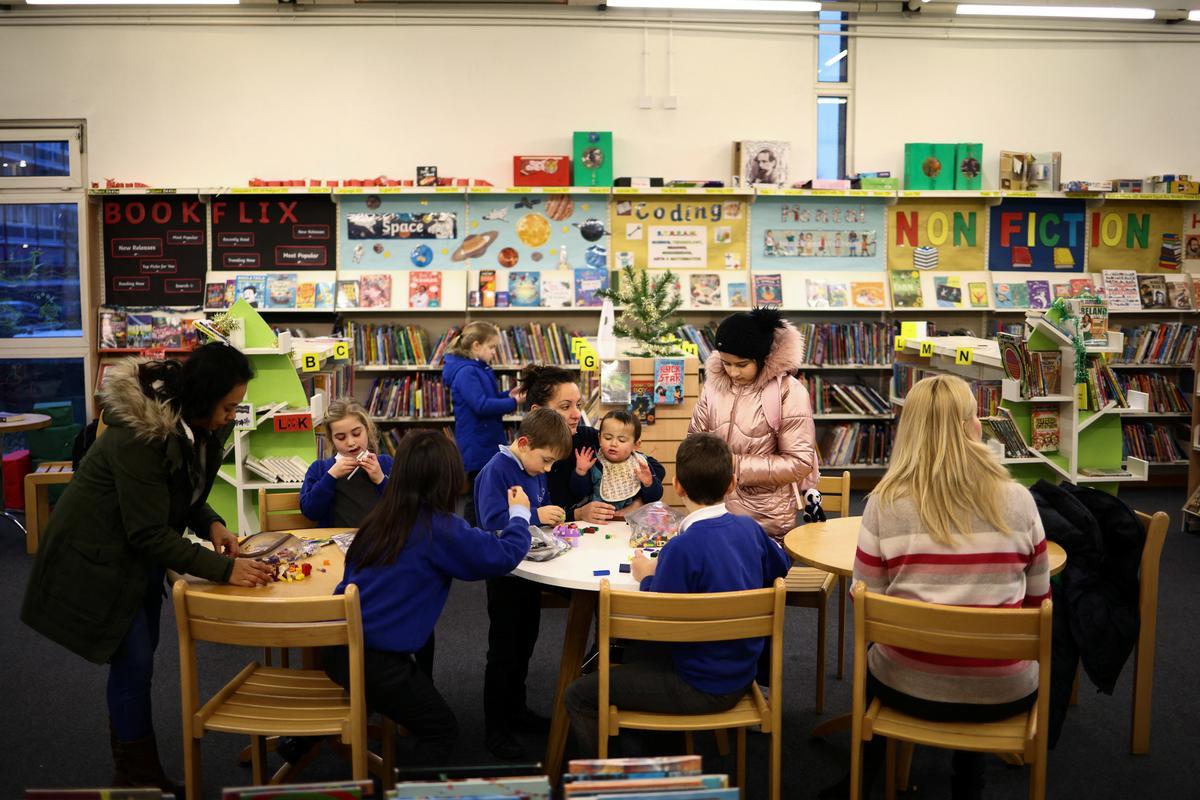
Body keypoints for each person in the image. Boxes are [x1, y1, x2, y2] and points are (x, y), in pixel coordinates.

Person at [21, 343, 275, 795]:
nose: (231, 417)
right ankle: (136, 773)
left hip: (134, 557)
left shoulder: (194, 424)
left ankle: (136, 769)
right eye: (229, 406)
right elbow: (147, 532)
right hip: (96, 556)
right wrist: (222, 569)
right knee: (133, 660)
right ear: (202, 397)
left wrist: (211, 521)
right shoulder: (141, 435)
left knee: (139, 657)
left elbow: (182, 489)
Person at [824, 374, 1051, 800]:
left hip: (908, 687)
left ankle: (868, 775)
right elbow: (1040, 602)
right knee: (979, 651)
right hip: (1003, 692)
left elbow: (867, 601)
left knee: (881, 653)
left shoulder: (884, 503)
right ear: (970, 426)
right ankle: (969, 784)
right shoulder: (1019, 500)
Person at [564, 433, 790, 755]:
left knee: (579, 694)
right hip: (743, 672)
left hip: (698, 683)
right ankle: (660, 752)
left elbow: (659, 619)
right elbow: (779, 565)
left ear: (677, 485)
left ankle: (623, 778)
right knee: (634, 654)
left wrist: (646, 576)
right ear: (732, 484)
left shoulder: (679, 548)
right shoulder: (750, 529)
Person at [322, 430, 534, 768]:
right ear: (449, 478)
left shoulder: (379, 519)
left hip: (337, 647)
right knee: (442, 731)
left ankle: (303, 744)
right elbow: (502, 555)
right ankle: (394, 781)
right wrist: (520, 514)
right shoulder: (441, 527)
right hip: (378, 661)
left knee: (399, 699)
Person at [474, 407, 573, 759]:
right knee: (504, 652)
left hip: (529, 567)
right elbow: (491, 521)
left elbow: (536, 504)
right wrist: (535, 515)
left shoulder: (531, 466)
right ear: (524, 443)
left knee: (525, 643)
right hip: (505, 573)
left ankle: (517, 712)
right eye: (545, 461)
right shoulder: (496, 471)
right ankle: (496, 731)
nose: (546, 471)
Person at [689, 307, 817, 542]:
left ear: (763, 358)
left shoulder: (788, 392)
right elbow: (695, 442)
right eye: (726, 363)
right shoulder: (713, 387)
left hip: (764, 521)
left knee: (757, 579)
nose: (732, 372)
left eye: (742, 364)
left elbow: (800, 462)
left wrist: (732, 465)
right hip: (713, 513)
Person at [442, 322, 524, 524]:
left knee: (485, 490)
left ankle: (482, 529)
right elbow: (481, 405)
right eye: (492, 347)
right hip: (477, 443)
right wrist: (513, 402)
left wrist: (508, 395)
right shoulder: (466, 372)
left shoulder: (478, 368)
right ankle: (470, 532)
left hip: (485, 440)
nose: (494, 352)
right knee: (476, 493)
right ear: (476, 346)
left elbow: (490, 398)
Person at [299, 399, 392, 529]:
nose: (350, 442)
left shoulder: (385, 463)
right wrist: (330, 477)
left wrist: (381, 479)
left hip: (377, 541)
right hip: (334, 543)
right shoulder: (319, 469)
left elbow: (403, 509)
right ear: (331, 439)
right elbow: (310, 512)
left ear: (367, 430)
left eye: (356, 433)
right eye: (341, 437)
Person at [570, 410, 666, 512]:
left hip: (630, 522)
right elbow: (579, 493)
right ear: (599, 439)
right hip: (599, 520)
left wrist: (649, 484)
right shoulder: (593, 461)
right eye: (607, 438)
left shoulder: (641, 465)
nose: (613, 443)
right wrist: (580, 472)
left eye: (622, 440)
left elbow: (654, 497)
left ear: (636, 445)